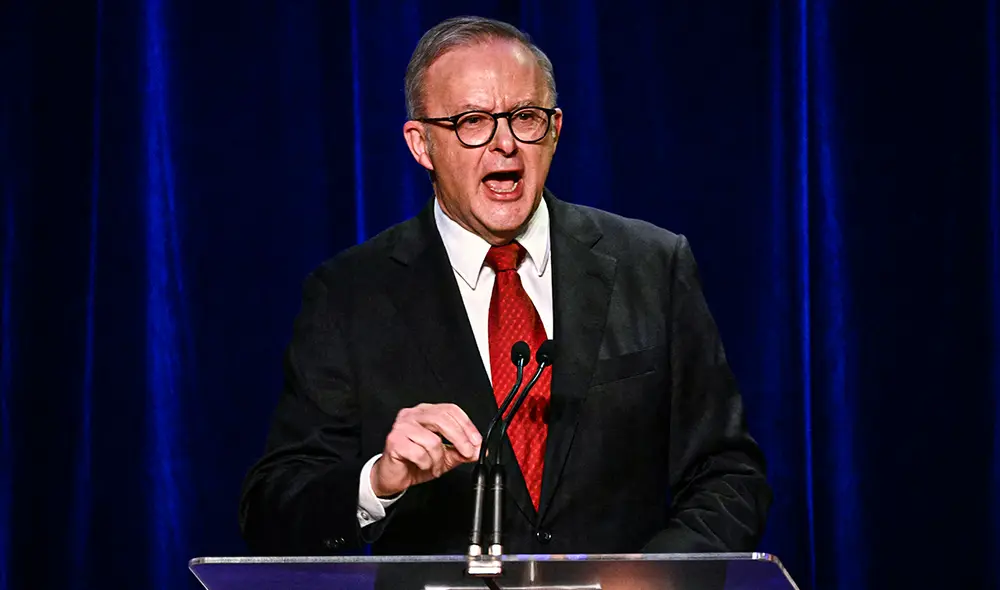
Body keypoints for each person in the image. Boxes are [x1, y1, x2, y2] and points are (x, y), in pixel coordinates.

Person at [239, 15, 771, 558]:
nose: (505, 145)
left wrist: (642, 580)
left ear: (555, 130)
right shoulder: (349, 295)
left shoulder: (653, 266)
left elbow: (728, 477)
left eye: (525, 117)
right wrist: (379, 480)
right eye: (472, 121)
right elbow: (272, 507)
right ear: (421, 145)